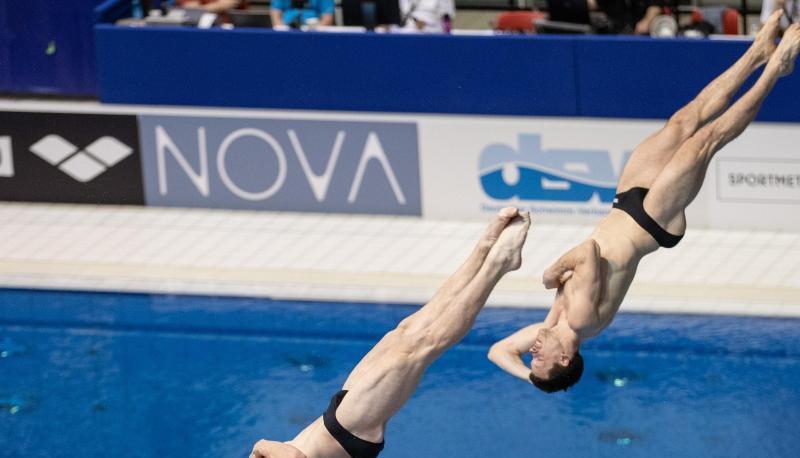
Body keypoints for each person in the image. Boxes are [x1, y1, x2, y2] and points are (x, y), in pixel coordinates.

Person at [488, 11, 800, 394]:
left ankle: (757, 53)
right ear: (565, 359)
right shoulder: (581, 321)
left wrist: (535, 378)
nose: (532, 350)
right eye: (539, 359)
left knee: (683, 121)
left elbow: (497, 351)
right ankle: (775, 71)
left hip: (625, 205)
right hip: (652, 223)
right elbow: (586, 252)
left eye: (531, 358)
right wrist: (551, 274)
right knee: (705, 141)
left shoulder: (549, 328)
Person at [251, 208, 531, 458]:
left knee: (404, 334)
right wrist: (261, 445)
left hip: (336, 419)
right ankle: (499, 264)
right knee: (422, 347)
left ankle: (483, 251)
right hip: (349, 430)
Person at [270, 0, 335, 28]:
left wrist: (316, 33)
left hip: (314, 30)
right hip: (287, 28)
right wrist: (281, 29)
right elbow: (275, 14)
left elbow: (327, 18)